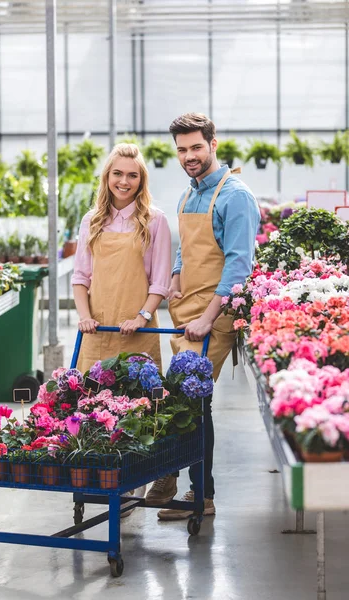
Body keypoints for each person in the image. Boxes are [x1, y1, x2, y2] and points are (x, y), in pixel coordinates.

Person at [145, 113, 260, 520]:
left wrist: (209, 317)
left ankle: (186, 487)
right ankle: (196, 491)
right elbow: (186, 248)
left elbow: (238, 267)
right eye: (181, 149)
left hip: (216, 314)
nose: (189, 156)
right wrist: (175, 275)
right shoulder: (189, 195)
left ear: (213, 144)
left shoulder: (235, 196)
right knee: (191, 400)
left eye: (196, 147)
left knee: (187, 396)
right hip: (187, 309)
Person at [71, 142, 171, 374]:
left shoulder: (155, 220)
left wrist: (141, 318)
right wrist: (85, 318)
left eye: (132, 175)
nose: (124, 182)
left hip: (138, 330)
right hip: (97, 329)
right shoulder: (91, 221)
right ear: (107, 177)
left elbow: (160, 282)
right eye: (117, 173)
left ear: (141, 180)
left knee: (139, 402)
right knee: (92, 403)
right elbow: (80, 277)